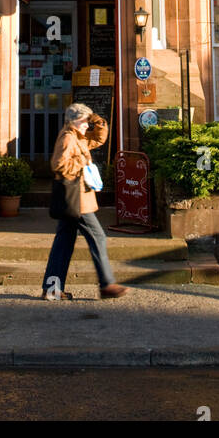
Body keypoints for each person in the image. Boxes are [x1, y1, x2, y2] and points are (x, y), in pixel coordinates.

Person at [42, 102, 127, 301]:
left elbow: (99, 139)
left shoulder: (78, 137)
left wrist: (96, 118)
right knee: (98, 237)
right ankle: (107, 284)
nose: (87, 126)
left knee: (63, 244)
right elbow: (58, 164)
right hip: (77, 198)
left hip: (75, 198)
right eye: (84, 121)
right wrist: (82, 162)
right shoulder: (68, 138)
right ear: (73, 121)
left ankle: (52, 289)